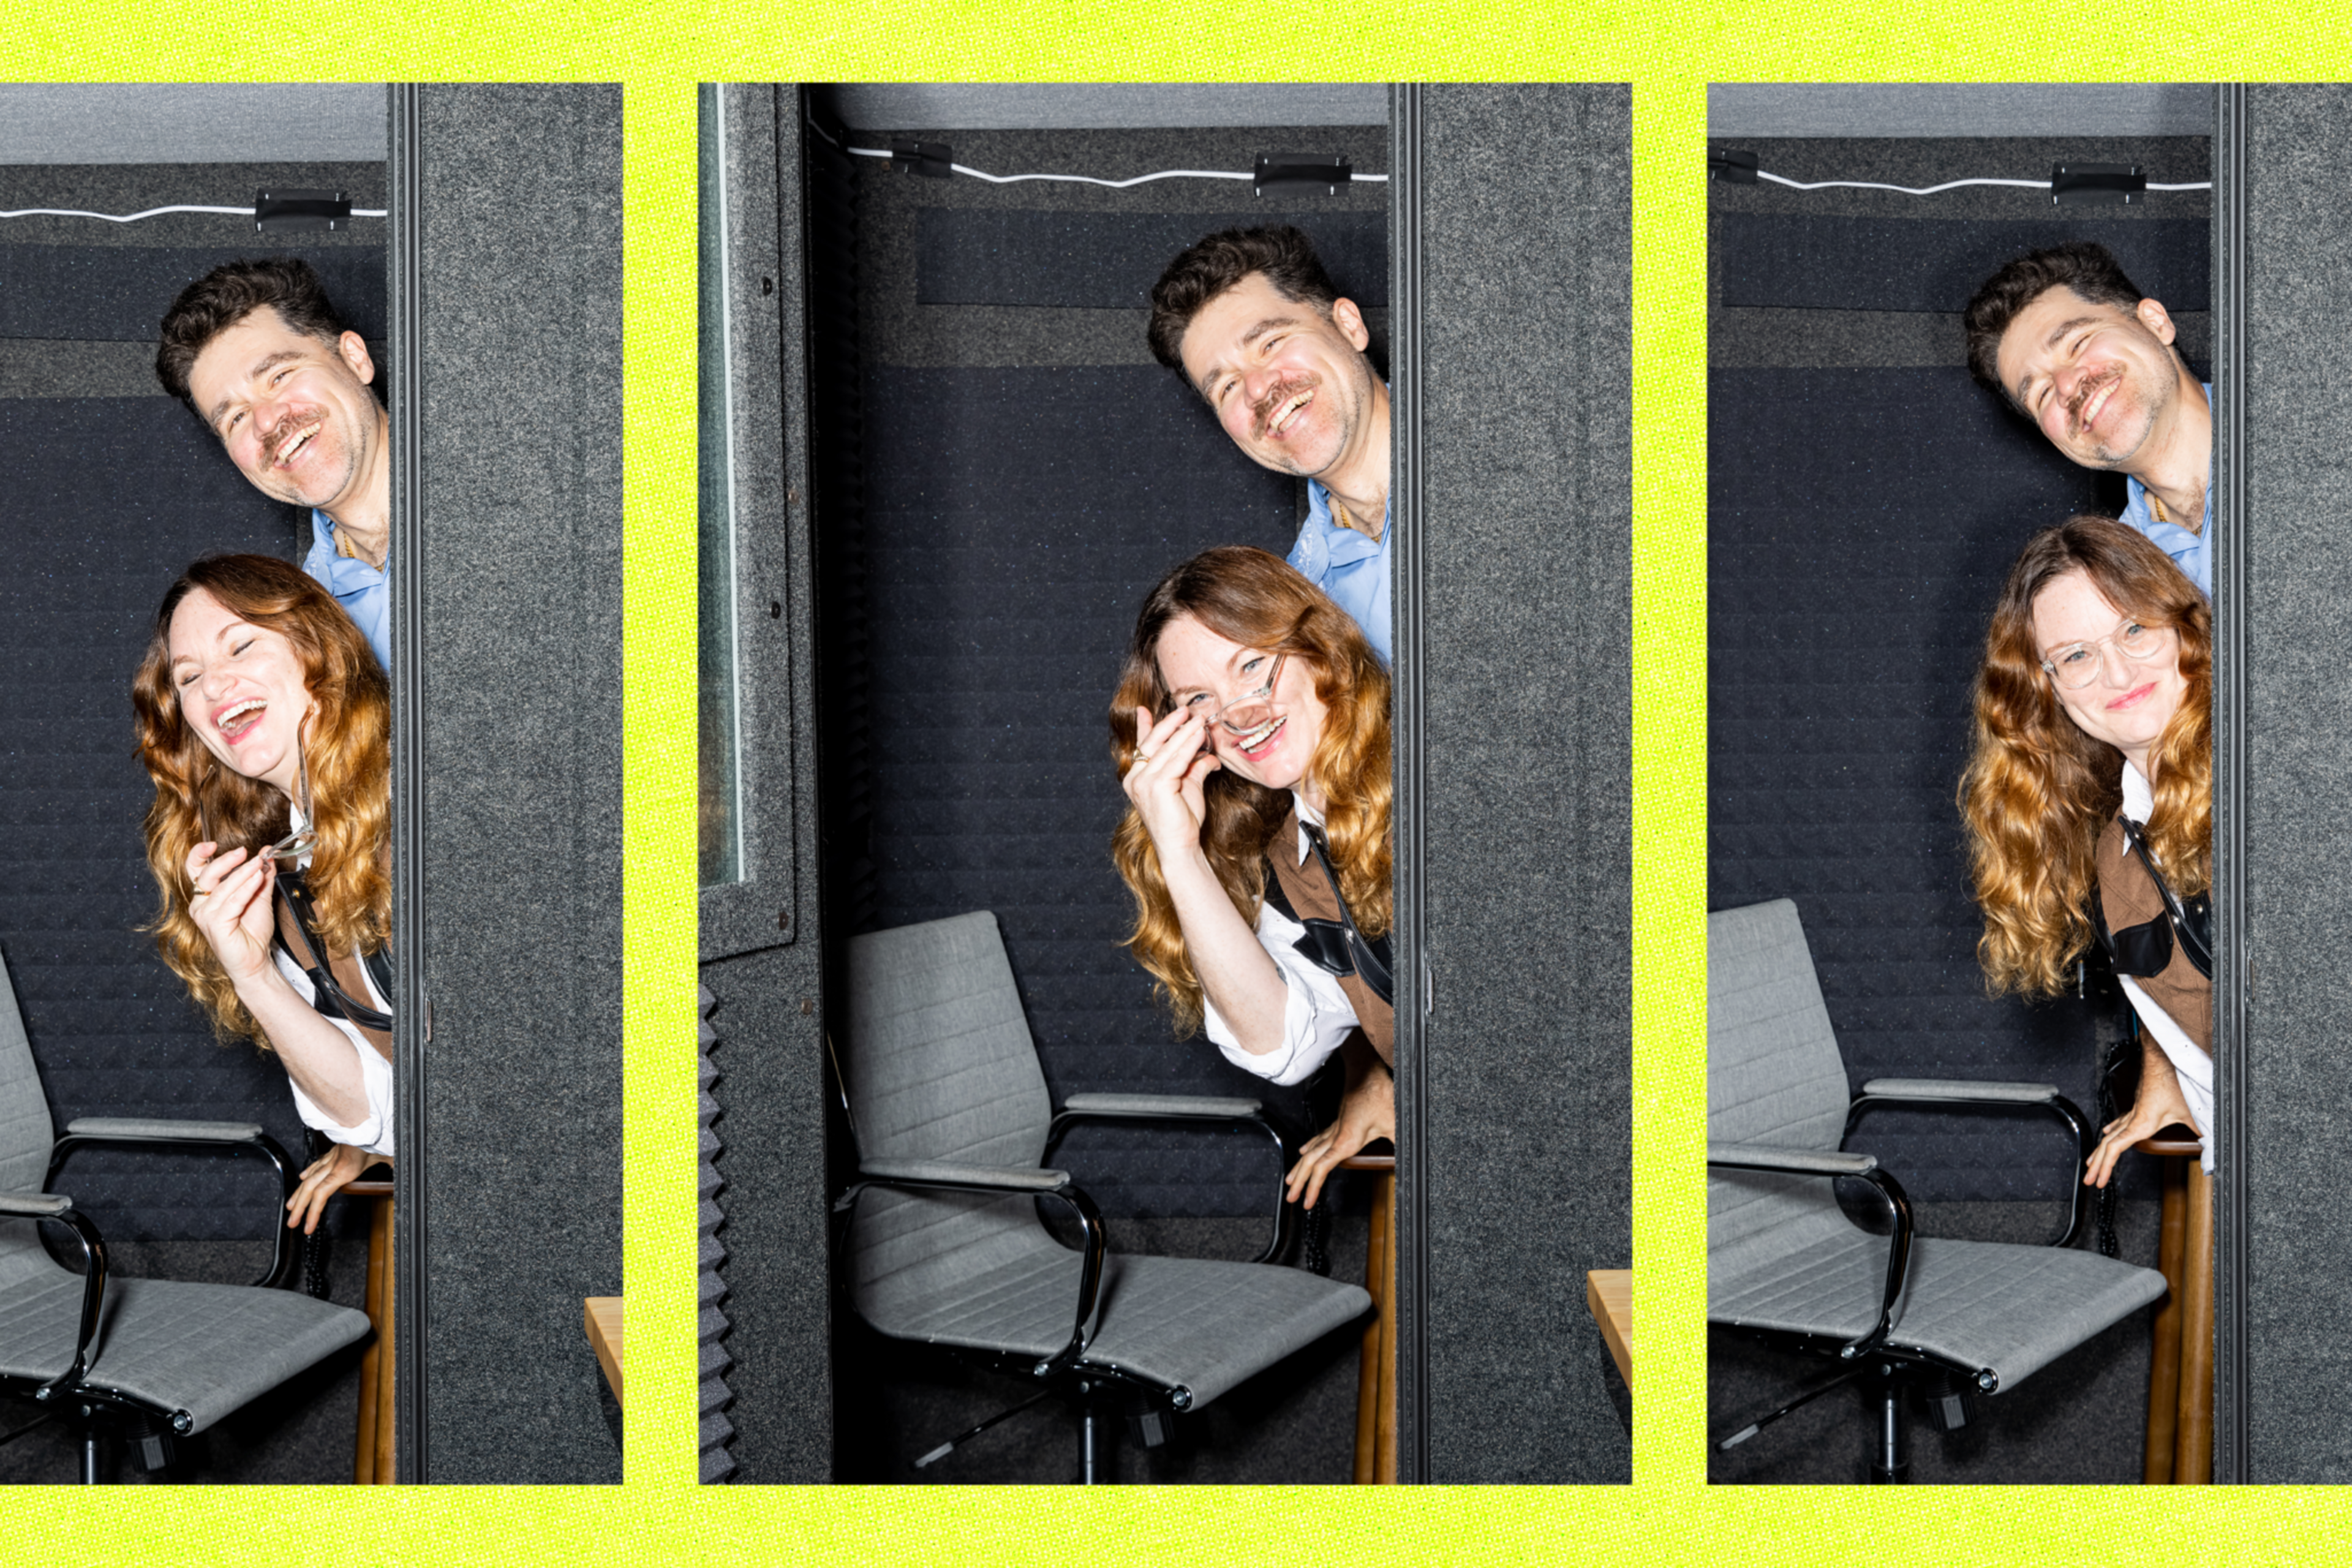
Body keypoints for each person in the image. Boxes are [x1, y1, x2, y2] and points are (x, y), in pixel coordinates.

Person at [1111, 545, 1393, 1208]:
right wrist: (1178, 850)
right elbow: (1280, 1046)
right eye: (1200, 699)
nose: (1240, 713)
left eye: (1253, 666)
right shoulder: (1293, 853)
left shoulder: (1430, 777)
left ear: (1319, 649)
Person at [132, 554, 394, 1234]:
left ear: (316, 648)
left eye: (241, 644)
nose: (216, 685)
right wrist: (252, 974)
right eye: (189, 678)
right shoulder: (287, 869)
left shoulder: (424, 789)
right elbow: (384, 1114)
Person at [1960, 514, 2212, 1183]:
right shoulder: (2117, 854)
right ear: (2045, 687)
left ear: (2184, 626)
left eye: (2135, 629)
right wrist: (2173, 1067)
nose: (2116, 670)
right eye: (2076, 655)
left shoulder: (2273, 786)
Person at [1148, 227, 1394, 664]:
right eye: (1226, 387)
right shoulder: (1304, 617)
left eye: (1271, 343)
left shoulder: (1503, 429)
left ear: (1348, 325)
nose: (1258, 390)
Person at [156, 259, 393, 669]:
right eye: (236, 418)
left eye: (279, 375)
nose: (266, 422)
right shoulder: (306, 631)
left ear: (355, 359)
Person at [1964, 242, 2212, 597]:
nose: (2067, 387)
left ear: (2156, 323)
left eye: (2078, 343)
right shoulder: (2118, 595)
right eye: (2042, 394)